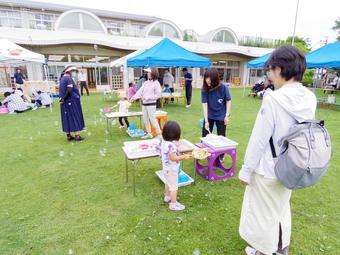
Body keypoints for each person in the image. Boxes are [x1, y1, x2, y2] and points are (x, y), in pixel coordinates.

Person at [238, 46, 317, 255]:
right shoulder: (309, 98)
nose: (270, 75)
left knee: (263, 217)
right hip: (293, 166)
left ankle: (266, 251)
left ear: (280, 69)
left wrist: (246, 170)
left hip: (269, 169)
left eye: (271, 69)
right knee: (281, 211)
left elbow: (259, 140)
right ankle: (280, 250)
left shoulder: (273, 99)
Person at [158, 121, 192, 211]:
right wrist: (184, 156)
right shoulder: (171, 146)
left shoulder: (164, 141)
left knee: (168, 183)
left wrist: (175, 144)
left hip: (166, 168)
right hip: (172, 169)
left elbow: (168, 149)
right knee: (173, 187)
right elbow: (173, 158)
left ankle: (167, 196)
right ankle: (173, 204)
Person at [130, 68, 162, 139]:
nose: (147, 74)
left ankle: (159, 134)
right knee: (145, 119)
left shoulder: (156, 83)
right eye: (147, 73)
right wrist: (133, 97)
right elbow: (140, 92)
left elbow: (159, 95)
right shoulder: (145, 83)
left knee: (152, 119)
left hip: (151, 104)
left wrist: (149, 97)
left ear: (153, 74)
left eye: (149, 73)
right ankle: (149, 133)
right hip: (144, 104)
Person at [201, 68, 231, 138]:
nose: (207, 80)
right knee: (205, 136)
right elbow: (204, 105)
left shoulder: (223, 87)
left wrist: (227, 115)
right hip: (209, 115)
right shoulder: (204, 89)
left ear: (215, 78)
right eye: (206, 78)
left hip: (221, 116)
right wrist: (206, 121)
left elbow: (228, 101)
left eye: (209, 78)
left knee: (221, 137)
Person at [59, 65, 85, 141]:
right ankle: (77, 136)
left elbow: (62, 91)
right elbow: (69, 90)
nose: (73, 73)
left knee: (66, 118)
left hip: (64, 102)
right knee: (74, 116)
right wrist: (64, 99)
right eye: (72, 71)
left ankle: (68, 135)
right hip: (71, 101)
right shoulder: (68, 78)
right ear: (69, 71)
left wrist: (62, 100)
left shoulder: (62, 79)